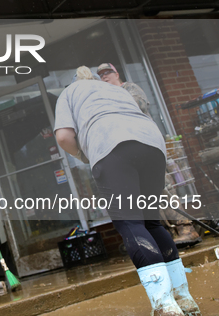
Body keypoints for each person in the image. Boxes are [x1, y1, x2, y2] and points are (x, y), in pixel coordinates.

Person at [54, 66, 200, 316]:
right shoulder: (115, 89)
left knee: (131, 224)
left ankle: (165, 305)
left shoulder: (69, 93)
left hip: (111, 144)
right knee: (152, 223)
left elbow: (64, 137)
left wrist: (85, 154)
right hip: (152, 146)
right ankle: (184, 299)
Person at [97, 63, 201, 248]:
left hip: (150, 147)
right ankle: (167, 234)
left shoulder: (130, 89)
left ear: (116, 73)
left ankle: (186, 228)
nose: (104, 76)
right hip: (132, 152)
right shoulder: (108, 98)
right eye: (100, 75)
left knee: (164, 189)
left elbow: (137, 105)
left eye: (107, 72)